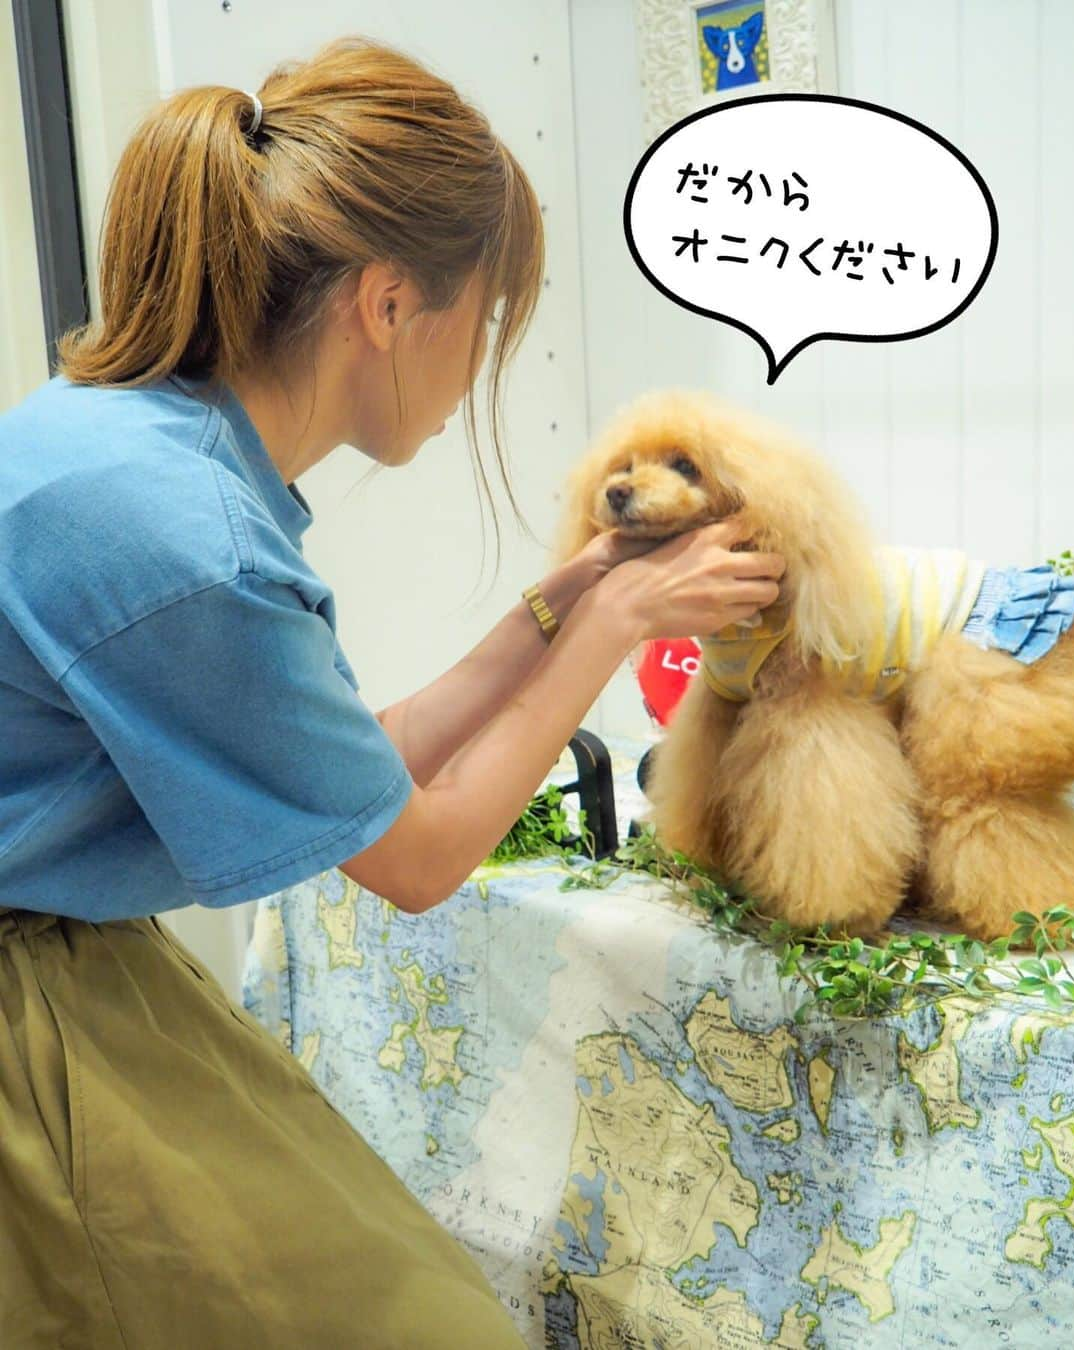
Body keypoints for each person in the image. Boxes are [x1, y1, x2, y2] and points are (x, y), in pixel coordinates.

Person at [0, 36, 784, 1348]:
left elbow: (358, 768)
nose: (481, 365)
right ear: (386, 305)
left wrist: (564, 604)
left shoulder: (140, 451)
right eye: (485, 321)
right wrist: (622, 621)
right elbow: (412, 857)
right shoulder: (184, 532)